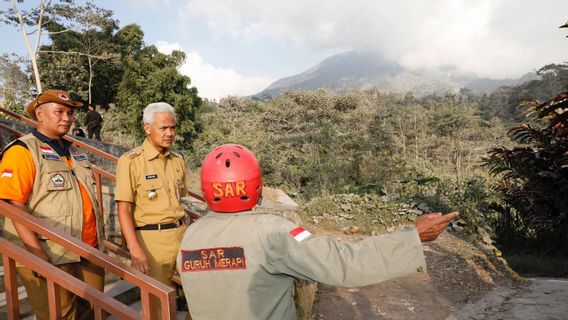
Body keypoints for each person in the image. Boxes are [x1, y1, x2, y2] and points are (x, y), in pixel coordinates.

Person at [177, 144, 459, 320]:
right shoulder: (274, 231)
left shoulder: (191, 236)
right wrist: (411, 237)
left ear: (206, 190)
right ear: (257, 187)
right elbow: (342, 261)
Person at [0, 89, 105, 320]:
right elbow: (12, 204)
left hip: (89, 251)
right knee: (59, 316)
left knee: (94, 313)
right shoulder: (23, 151)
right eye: (59, 112)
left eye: (69, 113)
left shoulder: (74, 151)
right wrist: (36, 253)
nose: (66, 118)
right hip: (51, 253)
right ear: (40, 114)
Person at [115, 102, 189, 319]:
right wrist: (135, 249)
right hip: (152, 241)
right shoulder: (130, 161)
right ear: (148, 128)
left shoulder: (177, 161)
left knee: (198, 294)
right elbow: (124, 209)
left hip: (181, 235)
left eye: (172, 128)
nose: (169, 133)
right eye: (163, 128)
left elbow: (180, 199)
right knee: (158, 306)